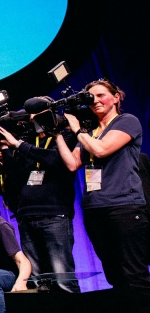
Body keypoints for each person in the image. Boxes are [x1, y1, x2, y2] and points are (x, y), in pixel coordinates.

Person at [56, 80, 150, 299]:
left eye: (101, 96)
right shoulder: (92, 132)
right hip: (95, 209)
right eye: (91, 98)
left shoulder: (126, 121)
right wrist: (58, 133)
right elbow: (72, 163)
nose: (96, 101)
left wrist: (78, 129)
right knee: (114, 275)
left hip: (124, 207)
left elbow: (101, 150)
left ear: (116, 97)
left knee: (134, 274)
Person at [0, 96, 80, 293]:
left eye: (40, 116)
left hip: (54, 215)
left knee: (63, 279)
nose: (36, 122)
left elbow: (56, 161)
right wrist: (7, 150)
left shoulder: (65, 136)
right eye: (33, 118)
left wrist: (19, 145)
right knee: (38, 282)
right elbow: (15, 177)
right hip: (26, 216)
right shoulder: (28, 140)